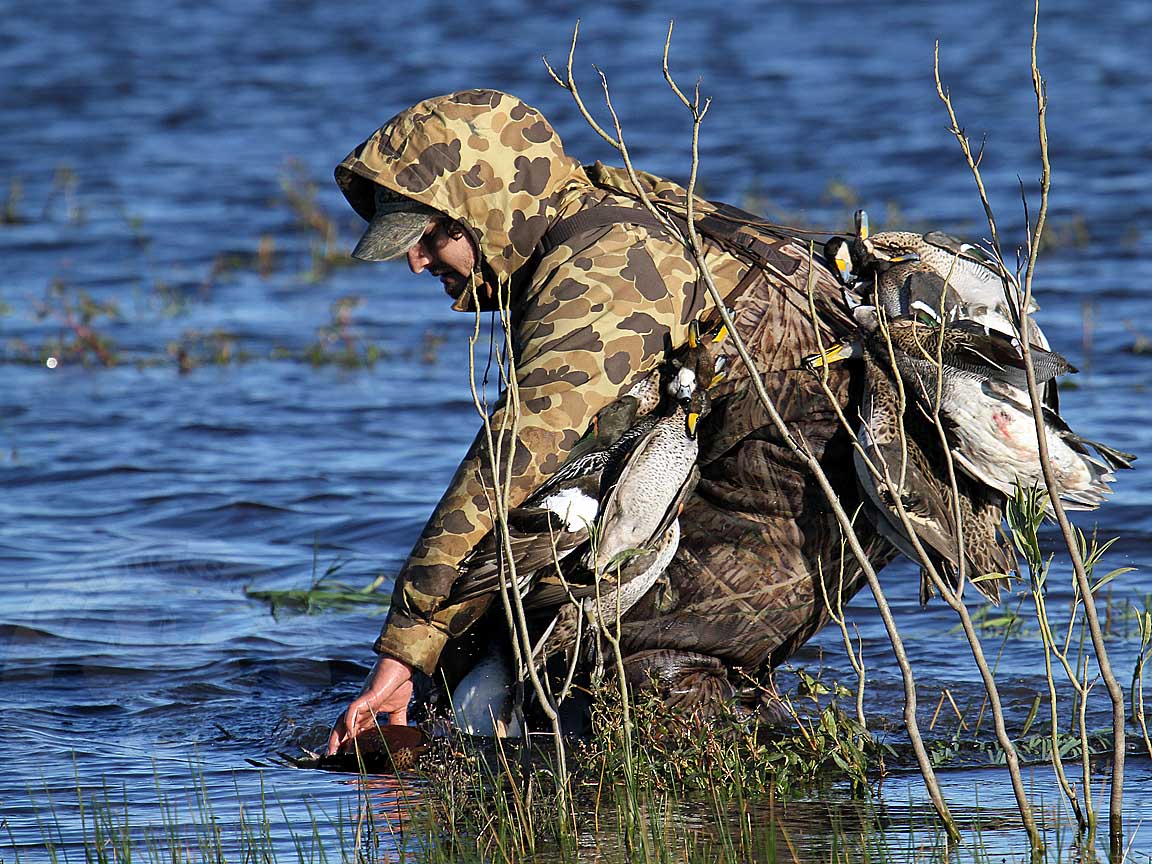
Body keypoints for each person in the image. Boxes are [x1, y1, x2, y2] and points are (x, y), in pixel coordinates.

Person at [326, 89, 891, 754]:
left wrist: (406, 647)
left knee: (649, 669)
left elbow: (510, 464)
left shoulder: (598, 275)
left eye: (425, 238)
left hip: (814, 457)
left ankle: (777, 802)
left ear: (482, 212)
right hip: (754, 447)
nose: (417, 262)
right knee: (533, 641)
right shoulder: (576, 222)